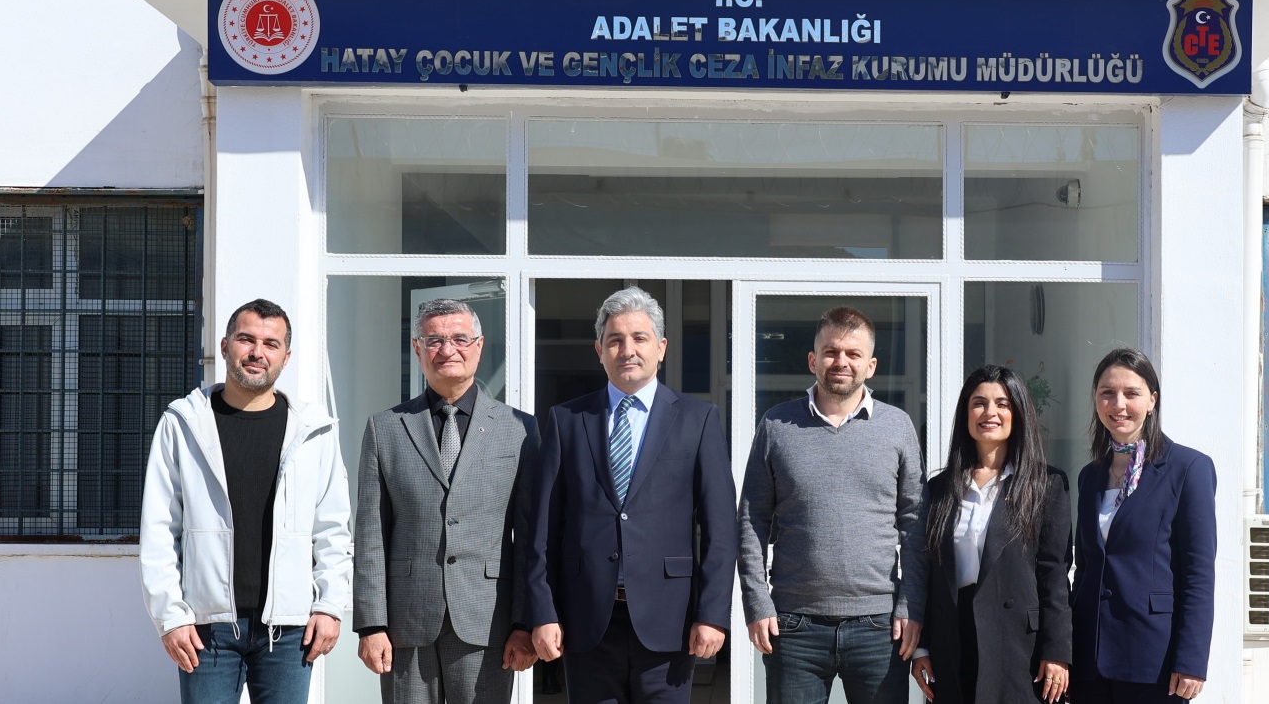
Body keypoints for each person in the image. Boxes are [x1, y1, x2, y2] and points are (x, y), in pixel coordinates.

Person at [522, 287, 738, 704]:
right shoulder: (567, 420)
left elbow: (720, 530)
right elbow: (543, 530)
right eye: (615, 340)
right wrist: (543, 612)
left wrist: (712, 614)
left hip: (669, 621)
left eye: (640, 338)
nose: (627, 350)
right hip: (586, 623)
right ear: (599, 350)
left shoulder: (698, 420)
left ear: (661, 348)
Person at [140, 299, 353, 703]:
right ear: (225, 346)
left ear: (286, 357)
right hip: (205, 628)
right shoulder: (183, 423)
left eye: (271, 344)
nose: (257, 352)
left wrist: (329, 605)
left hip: (289, 630)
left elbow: (333, 528)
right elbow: (159, 529)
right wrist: (170, 617)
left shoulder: (314, 430)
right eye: (246, 339)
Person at [354, 298, 540, 704]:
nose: (447, 349)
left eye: (459, 338)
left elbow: (530, 538)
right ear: (417, 348)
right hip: (404, 626)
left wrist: (525, 622)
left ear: (479, 346)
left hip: (488, 620)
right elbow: (370, 536)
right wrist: (371, 624)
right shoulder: (386, 428)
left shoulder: (519, 429)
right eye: (434, 340)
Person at [738, 306, 927, 704]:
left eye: (853, 354)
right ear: (813, 360)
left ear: (870, 366)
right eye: (831, 352)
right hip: (793, 627)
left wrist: (912, 605)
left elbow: (915, 523)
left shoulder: (897, 426)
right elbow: (752, 518)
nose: (841, 361)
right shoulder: (776, 425)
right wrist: (756, 601)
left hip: (879, 627)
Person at [910, 365, 1073, 704]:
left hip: (1017, 644)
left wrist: (1057, 651)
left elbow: (1054, 575)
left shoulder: (1046, 485)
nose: (990, 413)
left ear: (1018, 413)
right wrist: (922, 646)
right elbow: (928, 572)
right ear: (966, 414)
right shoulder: (940, 488)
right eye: (979, 403)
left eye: (1002, 403)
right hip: (952, 640)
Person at [1069, 348, 1216, 703]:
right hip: (1089, 660)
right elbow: (1085, 569)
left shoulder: (1188, 468)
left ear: (1152, 400)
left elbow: (1198, 573)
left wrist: (1192, 660)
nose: (1118, 404)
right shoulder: (1090, 476)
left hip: (1154, 660)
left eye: (1131, 393)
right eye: (1107, 392)